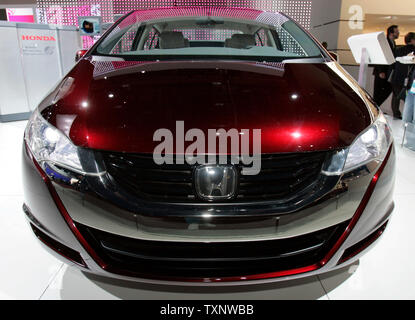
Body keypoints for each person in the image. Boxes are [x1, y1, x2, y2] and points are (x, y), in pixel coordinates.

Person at [373, 25, 399, 113]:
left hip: (387, 72)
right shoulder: (384, 42)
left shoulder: (393, 43)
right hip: (381, 72)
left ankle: (375, 109)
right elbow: (378, 56)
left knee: (386, 90)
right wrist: (381, 71)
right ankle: (374, 110)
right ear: (391, 33)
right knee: (378, 92)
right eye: (396, 32)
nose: (398, 33)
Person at [391, 32, 415, 120]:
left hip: (397, 78)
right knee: (409, 99)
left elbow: (392, 64)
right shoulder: (412, 50)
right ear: (412, 40)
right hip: (408, 79)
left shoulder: (398, 49)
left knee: (396, 97)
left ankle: (396, 114)